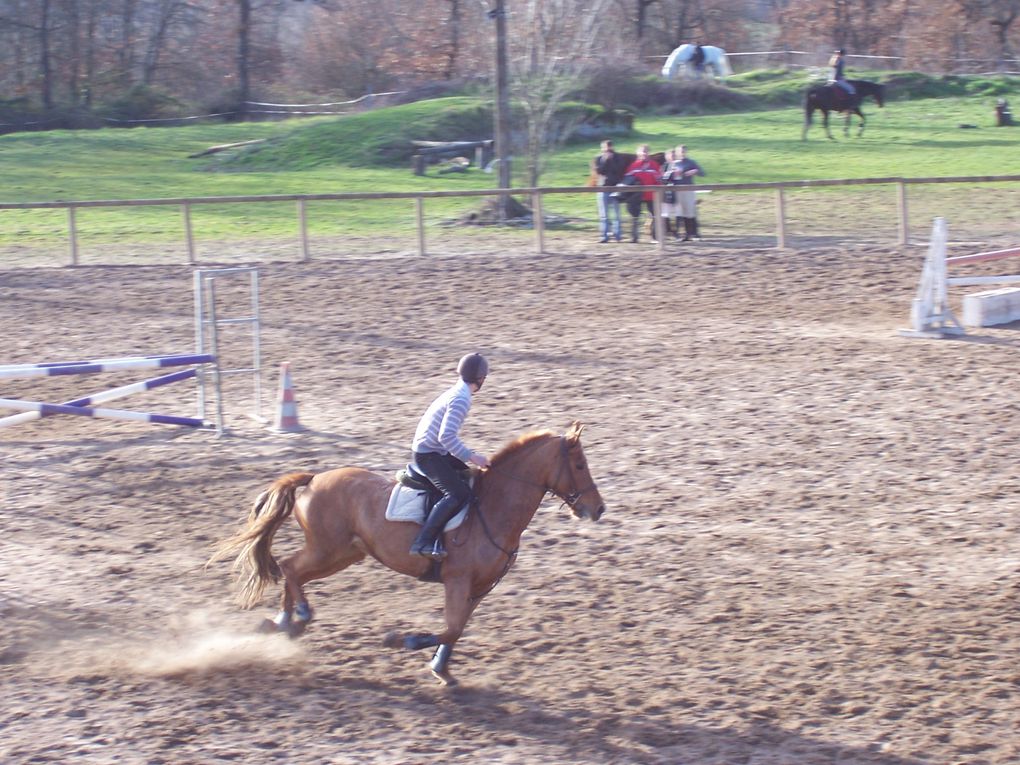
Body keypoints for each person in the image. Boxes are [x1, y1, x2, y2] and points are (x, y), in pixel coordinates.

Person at [409, 353, 491, 561]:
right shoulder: (461, 399)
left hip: (434, 450)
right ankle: (423, 542)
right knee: (457, 494)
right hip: (428, 454)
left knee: (469, 478)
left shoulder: (457, 392)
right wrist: (473, 457)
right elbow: (445, 436)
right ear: (481, 379)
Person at [662, 144, 705, 241]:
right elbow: (665, 178)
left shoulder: (691, 162)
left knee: (690, 211)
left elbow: (703, 173)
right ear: (677, 153)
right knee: (679, 212)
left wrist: (695, 171)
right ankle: (681, 235)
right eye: (680, 151)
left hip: (688, 189)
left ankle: (692, 234)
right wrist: (672, 174)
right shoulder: (672, 164)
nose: (682, 153)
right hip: (677, 191)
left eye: (684, 151)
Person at [623, 145, 662, 243]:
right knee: (635, 216)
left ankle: (654, 237)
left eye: (646, 151)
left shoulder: (654, 165)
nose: (644, 153)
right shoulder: (633, 166)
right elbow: (627, 180)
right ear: (638, 153)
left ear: (648, 153)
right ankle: (634, 237)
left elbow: (659, 180)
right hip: (637, 195)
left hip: (651, 195)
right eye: (642, 151)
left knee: (654, 215)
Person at [593, 139, 626, 243]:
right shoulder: (598, 158)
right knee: (604, 215)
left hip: (615, 187)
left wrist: (611, 160)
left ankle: (618, 235)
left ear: (612, 147)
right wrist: (606, 160)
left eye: (608, 147)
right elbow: (599, 171)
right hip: (602, 188)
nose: (606, 150)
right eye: (604, 148)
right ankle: (604, 236)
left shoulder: (618, 157)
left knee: (616, 214)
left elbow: (619, 170)